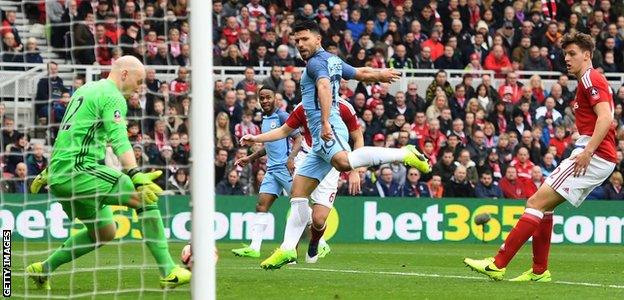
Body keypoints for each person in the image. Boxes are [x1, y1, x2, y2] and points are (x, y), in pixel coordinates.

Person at [240, 20, 430, 269]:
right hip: (317, 142)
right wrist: (380, 74)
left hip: (327, 130)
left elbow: (323, 86)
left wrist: (326, 121)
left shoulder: (316, 64)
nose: (300, 44)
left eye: (304, 39)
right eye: (296, 40)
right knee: (298, 193)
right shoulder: (332, 60)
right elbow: (359, 73)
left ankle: (402, 153)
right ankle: (288, 249)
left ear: (317, 39)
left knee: (343, 162)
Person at [25, 56, 191, 290]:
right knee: (144, 198)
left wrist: (49, 171)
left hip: (63, 173)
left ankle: (43, 269)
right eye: (138, 80)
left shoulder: (86, 89)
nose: (139, 87)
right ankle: (169, 270)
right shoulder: (113, 96)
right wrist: (134, 173)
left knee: (104, 231)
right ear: (124, 74)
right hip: (79, 170)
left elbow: (67, 132)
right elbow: (119, 140)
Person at [465, 32, 617, 282]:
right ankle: (539, 271)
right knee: (544, 208)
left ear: (587, 55)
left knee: (535, 202)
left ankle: (497, 264)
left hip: (595, 154)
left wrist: (588, 151)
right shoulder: (587, 80)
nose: (566, 59)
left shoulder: (590, 78)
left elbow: (606, 118)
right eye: (565, 54)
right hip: (596, 153)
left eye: (572, 54)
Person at [230, 87, 302, 258]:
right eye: (261, 98)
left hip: (285, 168)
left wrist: (291, 158)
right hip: (271, 169)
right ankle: (254, 248)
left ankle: (316, 241)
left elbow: (298, 138)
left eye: (268, 97)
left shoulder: (283, 116)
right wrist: (250, 158)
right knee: (261, 206)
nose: (265, 101)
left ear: (275, 99)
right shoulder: (265, 119)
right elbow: (268, 146)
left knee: (300, 207)